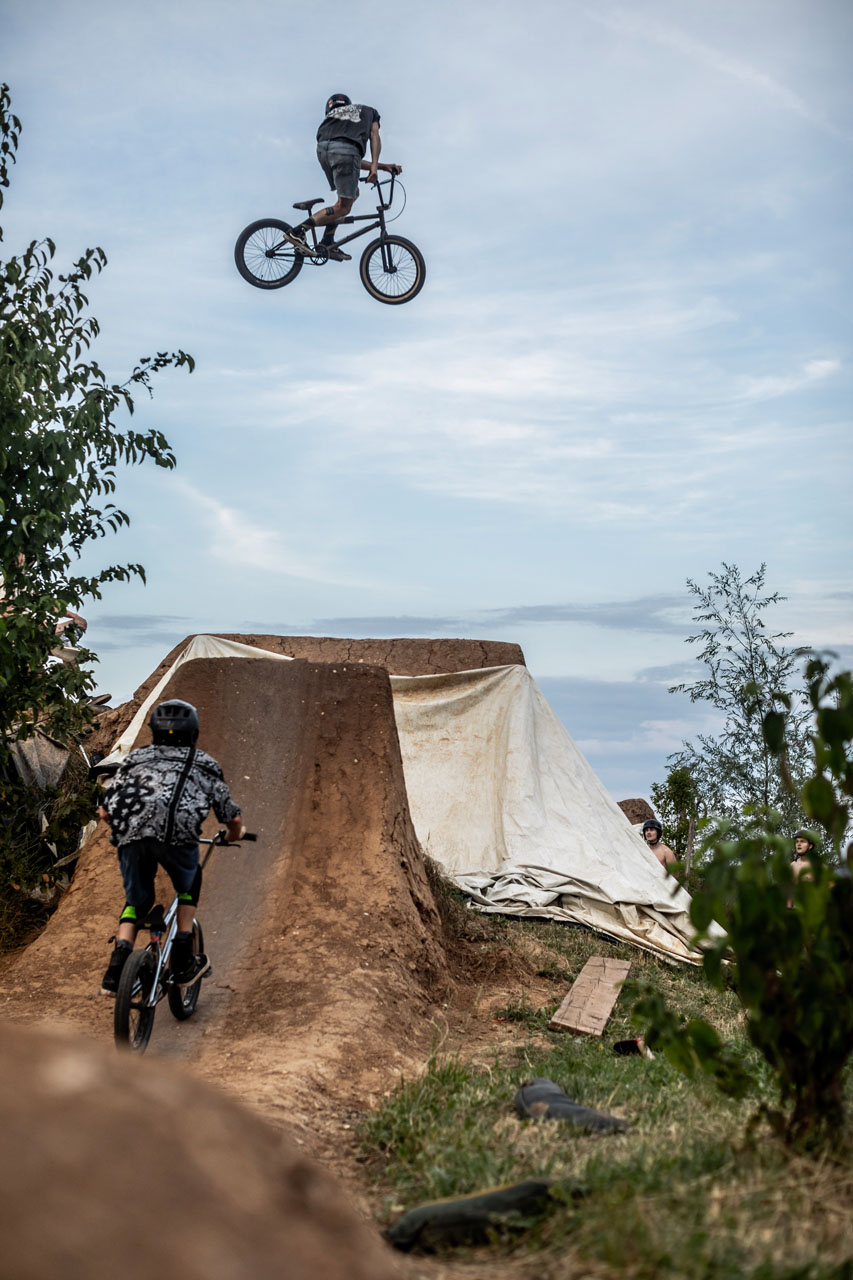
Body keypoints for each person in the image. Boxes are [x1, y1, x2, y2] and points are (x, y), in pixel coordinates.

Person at [98, 699, 244, 995]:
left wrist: (130, 828)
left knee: (136, 902)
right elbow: (231, 816)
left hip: (131, 837)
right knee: (190, 882)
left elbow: (104, 811)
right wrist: (234, 834)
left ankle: (117, 967)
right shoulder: (203, 763)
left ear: (154, 732)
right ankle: (182, 956)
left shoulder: (135, 759)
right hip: (177, 838)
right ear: (193, 733)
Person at [288, 93, 402, 262]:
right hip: (346, 153)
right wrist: (374, 167)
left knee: (352, 194)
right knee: (343, 207)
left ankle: (328, 240)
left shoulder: (332, 119)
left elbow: (348, 155)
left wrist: (382, 166)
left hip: (323, 151)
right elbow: (374, 136)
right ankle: (298, 231)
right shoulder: (369, 111)